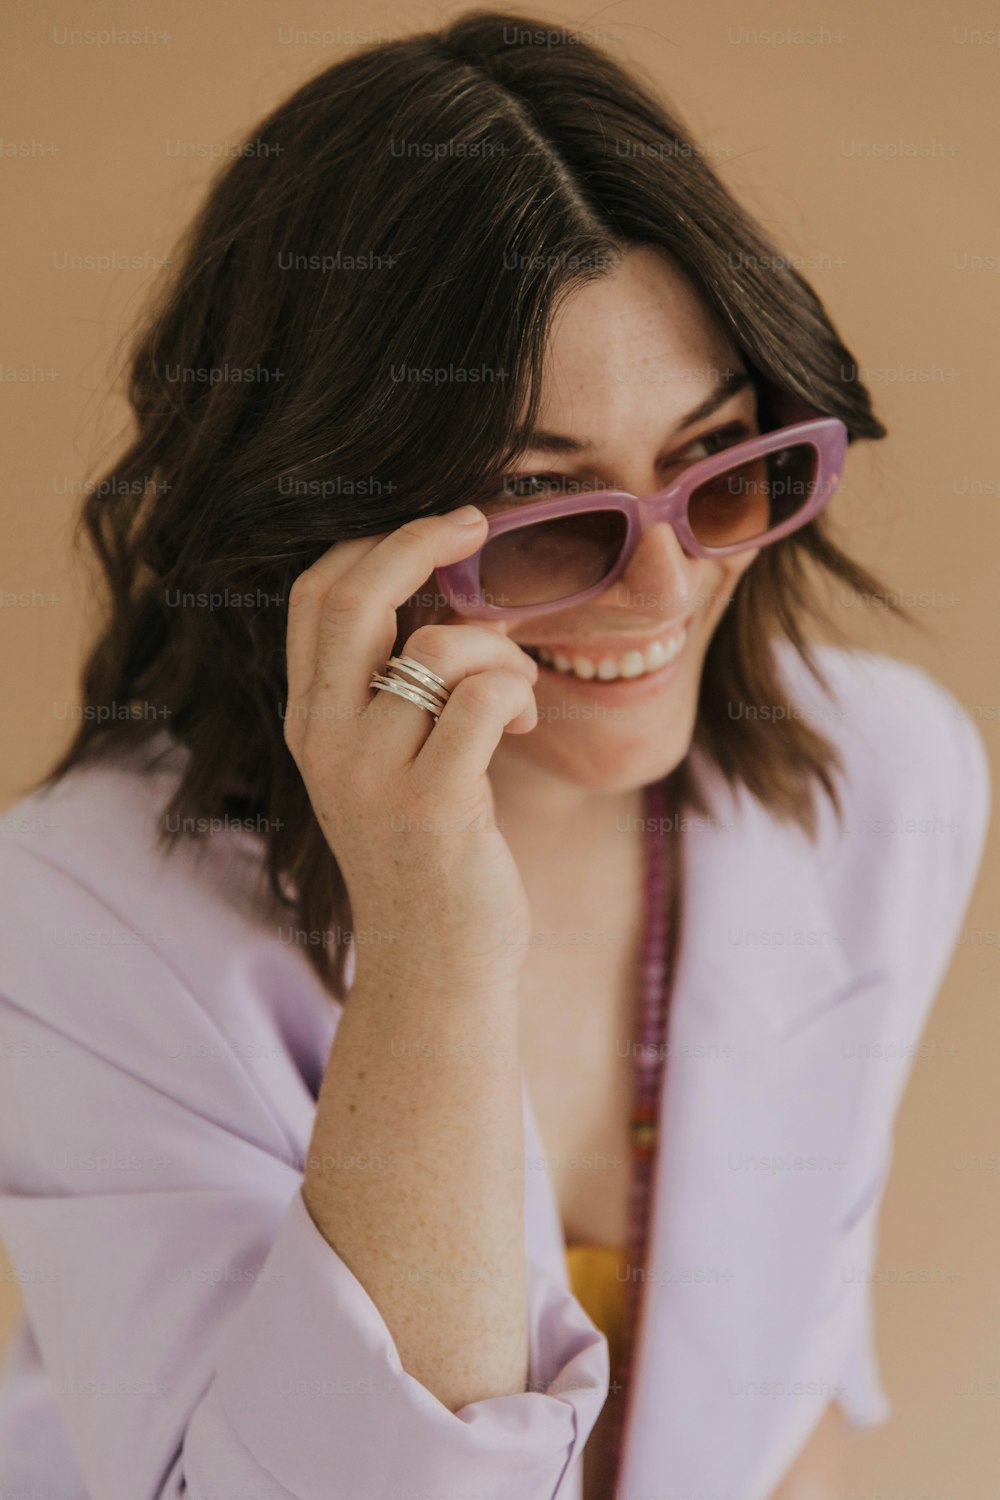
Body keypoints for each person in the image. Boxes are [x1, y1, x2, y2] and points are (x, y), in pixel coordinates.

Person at [0, 11, 990, 1500]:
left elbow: (794, 1399)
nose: (664, 592)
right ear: (324, 535)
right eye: (546, 511)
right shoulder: (70, 922)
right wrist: (432, 951)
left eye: (711, 470)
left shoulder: (886, 782)